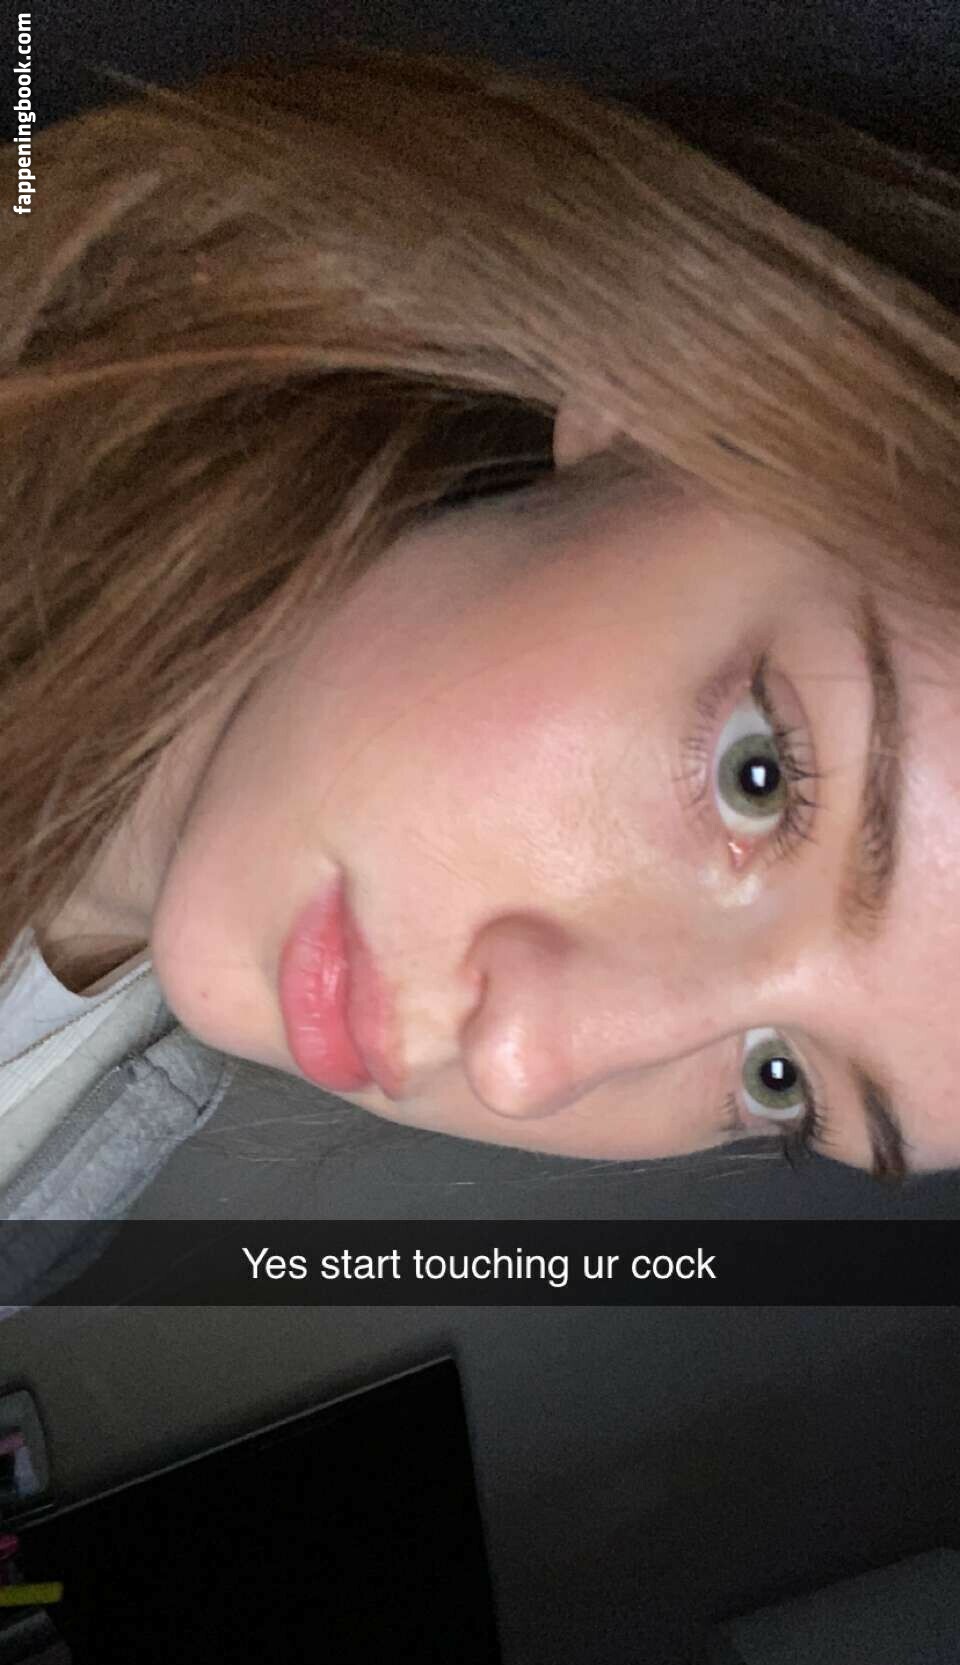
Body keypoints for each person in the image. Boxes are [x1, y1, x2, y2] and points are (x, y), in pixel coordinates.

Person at [2, 41, 960, 1267]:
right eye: (757, 776)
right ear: (672, 390)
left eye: (779, 1077)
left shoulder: (91, 1143)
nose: (526, 1061)